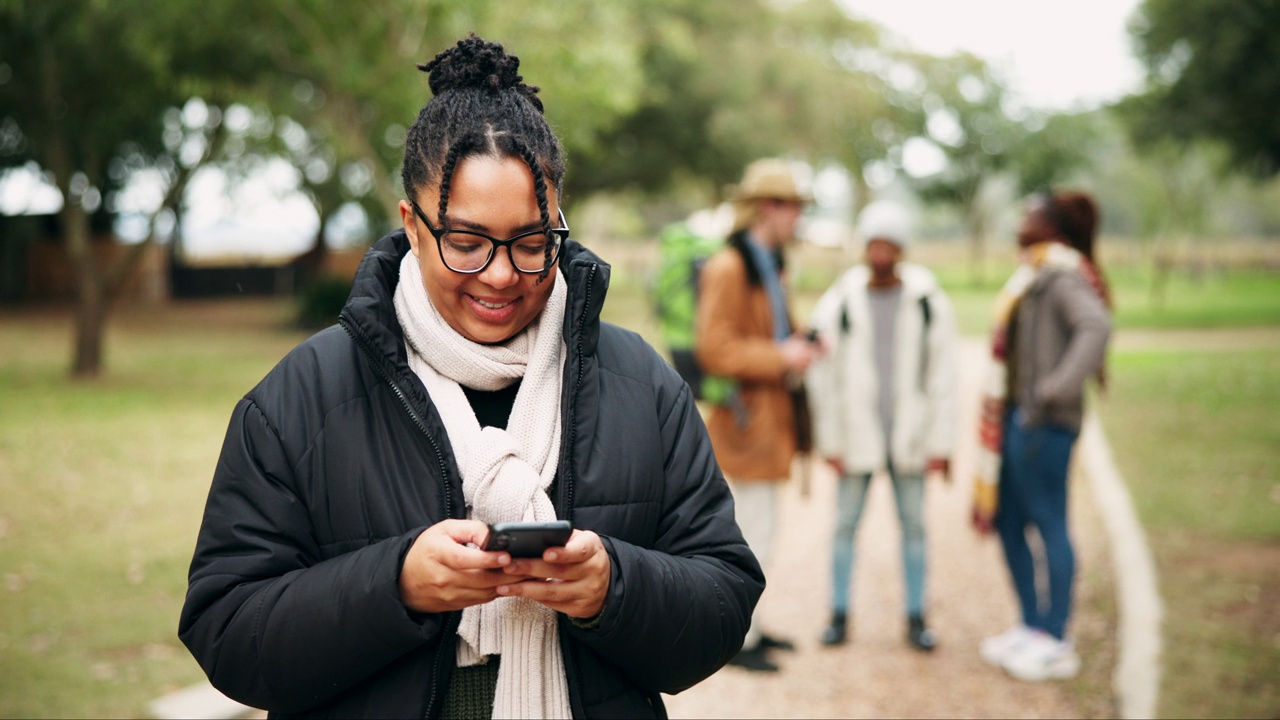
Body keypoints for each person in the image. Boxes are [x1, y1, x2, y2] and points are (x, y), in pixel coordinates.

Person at [178, 34, 763, 719]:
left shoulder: (642, 384)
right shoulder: (301, 398)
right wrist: (394, 586)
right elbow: (226, 632)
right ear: (413, 225)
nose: (499, 273)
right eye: (465, 242)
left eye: (532, 242)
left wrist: (614, 585)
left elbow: (723, 601)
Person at [805, 199, 959, 652]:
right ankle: (838, 614)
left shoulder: (928, 299)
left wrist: (941, 441)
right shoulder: (841, 300)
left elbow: (944, 376)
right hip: (856, 438)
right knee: (844, 527)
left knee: (914, 528)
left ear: (902, 249)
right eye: (873, 244)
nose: (880, 254)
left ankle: (915, 616)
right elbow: (822, 374)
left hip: (910, 439)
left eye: (889, 245)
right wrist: (830, 440)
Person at [972, 190, 1112, 682]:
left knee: (1049, 521)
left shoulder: (1059, 274)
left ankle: (1056, 637)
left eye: (1029, 214)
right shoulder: (1033, 271)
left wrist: (1052, 391)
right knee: (1009, 520)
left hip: (1044, 424)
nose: (1020, 222)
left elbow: (1095, 326)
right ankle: (1031, 626)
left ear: (1050, 226)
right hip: (1018, 420)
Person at [694, 157, 820, 673]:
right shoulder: (730, 265)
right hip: (744, 421)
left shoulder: (769, 262)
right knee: (748, 534)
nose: (798, 217)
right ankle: (738, 642)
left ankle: (756, 628)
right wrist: (781, 358)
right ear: (769, 207)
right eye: (793, 206)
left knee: (764, 530)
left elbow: (774, 326)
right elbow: (714, 347)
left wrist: (804, 340)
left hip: (771, 418)